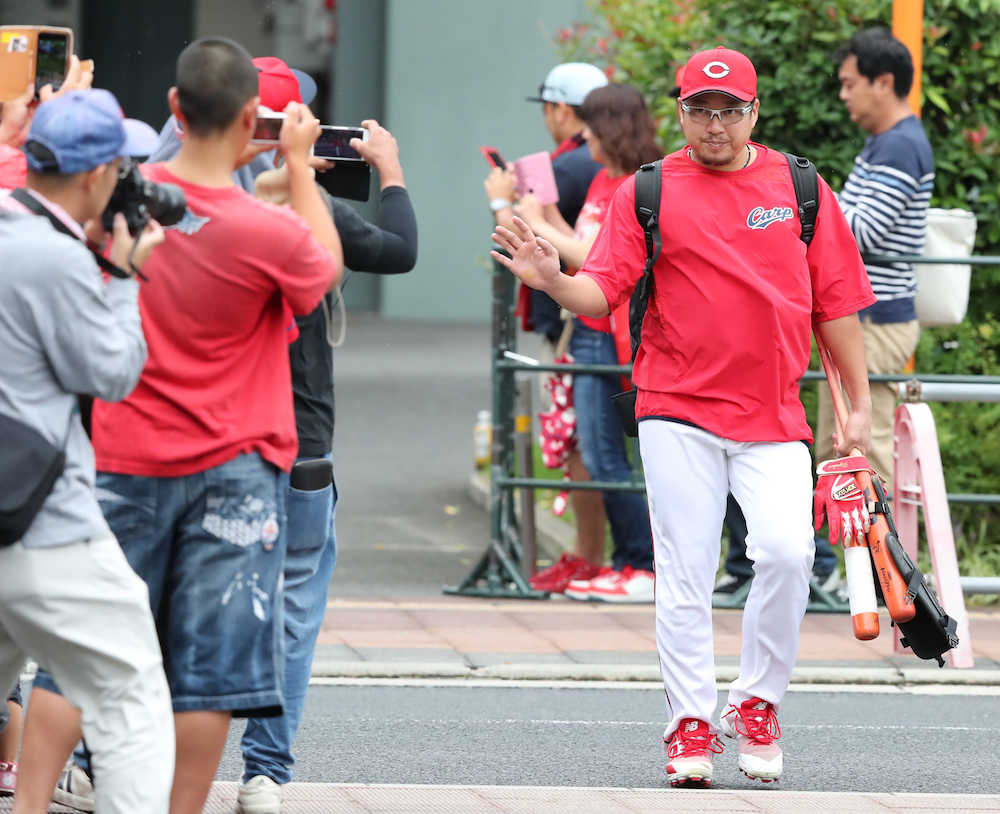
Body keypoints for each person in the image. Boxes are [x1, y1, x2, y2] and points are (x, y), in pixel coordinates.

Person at [491, 47, 875, 787]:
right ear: (681, 113)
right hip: (676, 408)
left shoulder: (799, 187)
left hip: (773, 415)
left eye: (730, 110)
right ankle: (690, 724)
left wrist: (855, 407)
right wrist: (553, 279)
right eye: (701, 109)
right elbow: (601, 294)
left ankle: (756, 702)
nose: (716, 124)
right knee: (688, 571)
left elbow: (838, 305)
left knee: (789, 555)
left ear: (754, 112)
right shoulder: (652, 189)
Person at [21, 37, 342, 814]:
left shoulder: (122, 201)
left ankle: (27, 804)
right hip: (236, 466)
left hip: (123, 455)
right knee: (210, 669)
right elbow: (323, 268)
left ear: (172, 108)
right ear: (249, 119)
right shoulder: (267, 233)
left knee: (78, 651)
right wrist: (299, 166)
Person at [0, 87, 175, 813]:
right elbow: (110, 372)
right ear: (98, 173)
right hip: (40, 520)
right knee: (130, 692)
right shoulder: (54, 258)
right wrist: (127, 275)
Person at [514, 83, 660, 602]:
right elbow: (578, 247)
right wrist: (540, 214)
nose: (585, 136)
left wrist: (538, 225)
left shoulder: (641, 185)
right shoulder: (602, 179)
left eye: (592, 127)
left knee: (607, 456)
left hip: (614, 335)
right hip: (589, 332)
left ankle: (640, 563)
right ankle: (628, 562)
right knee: (597, 453)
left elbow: (597, 255)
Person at [484, 61, 610, 594]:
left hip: (580, 322)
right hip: (574, 317)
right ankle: (589, 556)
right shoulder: (586, 166)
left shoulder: (575, 166)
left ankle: (593, 556)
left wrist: (501, 201)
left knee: (584, 444)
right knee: (580, 442)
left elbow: (530, 232)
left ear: (563, 109)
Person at [819, 26, 934, 485]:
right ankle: (854, 556)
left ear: (882, 82)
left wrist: (817, 201)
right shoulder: (887, 141)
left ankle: (888, 554)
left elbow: (862, 231)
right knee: (845, 446)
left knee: (866, 449)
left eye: (850, 83)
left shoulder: (900, 145)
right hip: (868, 317)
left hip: (876, 320)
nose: (844, 95)